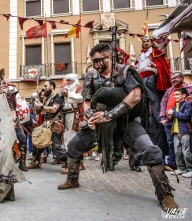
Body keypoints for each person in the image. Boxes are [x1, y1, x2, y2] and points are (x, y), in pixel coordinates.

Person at [57, 43, 178, 211]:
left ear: (108, 57)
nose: (94, 64)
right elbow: (86, 100)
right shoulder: (91, 75)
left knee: (150, 150)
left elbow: (135, 96)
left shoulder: (125, 71)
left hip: (125, 120)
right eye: (92, 61)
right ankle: (72, 179)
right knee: (73, 147)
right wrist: (91, 116)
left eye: (97, 60)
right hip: (99, 122)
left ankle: (165, 195)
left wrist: (111, 115)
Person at [136, 36, 171, 165]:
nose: (145, 43)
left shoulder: (156, 54)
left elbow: (162, 68)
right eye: (143, 42)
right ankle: (144, 152)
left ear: (151, 43)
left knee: (156, 114)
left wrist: (155, 69)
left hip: (151, 81)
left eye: (147, 41)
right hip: (142, 81)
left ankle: (162, 152)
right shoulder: (141, 56)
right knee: (143, 113)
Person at [28, 80, 66, 169]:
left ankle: (68, 162)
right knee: (37, 141)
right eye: (44, 86)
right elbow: (44, 111)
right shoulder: (46, 98)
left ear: (52, 86)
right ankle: (35, 161)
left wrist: (41, 106)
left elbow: (54, 109)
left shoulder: (58, 96)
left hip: (55, 123)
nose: (44, 88)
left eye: (45, 86)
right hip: (46, 123)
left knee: (55, 146)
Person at [160, 71, 192, 171]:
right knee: (172, 145)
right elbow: (163, 103)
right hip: (170, 122)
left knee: (185, 148)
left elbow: (188, 111)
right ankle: (174, 165)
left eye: (176, 78)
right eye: (172, 78)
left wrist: (173, 113)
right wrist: (163, 118)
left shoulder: (189, 88)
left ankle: (188, 168)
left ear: (182, 78)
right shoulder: (169, 90)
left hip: (184, 125)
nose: (173, 80)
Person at [60, 74, 84, 172]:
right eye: (67, 80)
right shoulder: (67, 89)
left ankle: (75, 165)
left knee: (72, 139)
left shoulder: (79, 88)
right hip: (66, 116)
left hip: (74, 115)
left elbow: (80, 99)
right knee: (66, 138)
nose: (68, 82)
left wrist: (68, 94)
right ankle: (72, 163)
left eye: (70, 80)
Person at [166, 88, 192, 178]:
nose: (175, 96)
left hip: (185, 132)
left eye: (177, 94)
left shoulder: (187, 104)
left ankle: (190, 169)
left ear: (184, 95)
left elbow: (186, 116)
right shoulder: (175, 105)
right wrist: (170, 117)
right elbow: (174, 117)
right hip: (176, 132)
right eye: (174, 95)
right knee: (177, 151)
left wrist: (173, 113)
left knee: (186, 151)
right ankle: (181, 168)